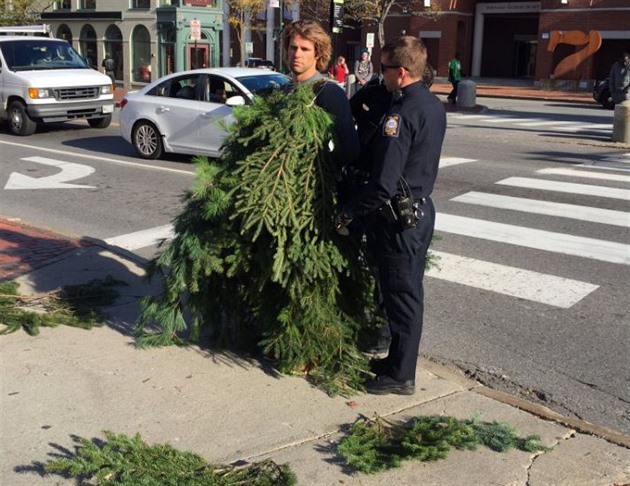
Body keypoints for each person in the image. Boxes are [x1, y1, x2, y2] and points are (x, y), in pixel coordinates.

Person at [338, 36, 446, 395]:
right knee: (406, 291)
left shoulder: (398, 118)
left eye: (383, 68)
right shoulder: (431, 105)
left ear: (400, 72)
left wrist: (348, 212)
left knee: (402, 296)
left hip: (398, 221)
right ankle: (395, 362)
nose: (379, 75)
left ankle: (401, 377)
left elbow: (383, 185)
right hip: (420, 211)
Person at [283, 19, 359, 167]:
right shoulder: (284, 90)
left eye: (305, 49)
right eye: (293, 48)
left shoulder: (329, 93)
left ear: (317, 54)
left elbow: (350, 149)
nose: (297, 54)